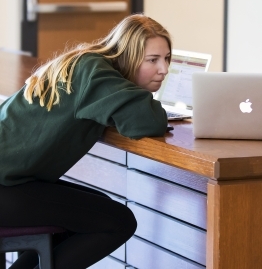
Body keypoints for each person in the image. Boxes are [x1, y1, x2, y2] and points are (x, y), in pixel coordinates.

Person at [0, 14, 171, 268]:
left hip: (11, 184)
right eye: (153, 60)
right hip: (6, 190)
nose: (164, 69)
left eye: (167, 59)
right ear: (127, 56)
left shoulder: (84, 63)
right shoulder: (94, 70)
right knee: (118, 221)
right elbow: (148, 121)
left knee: (96, 212)